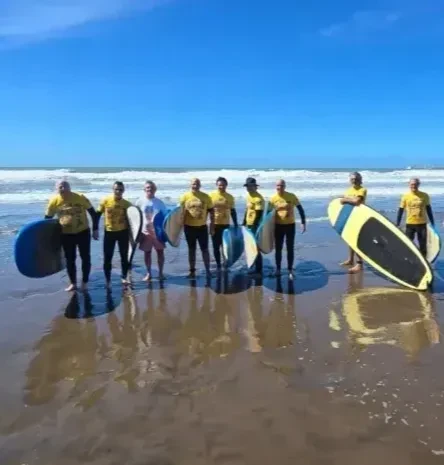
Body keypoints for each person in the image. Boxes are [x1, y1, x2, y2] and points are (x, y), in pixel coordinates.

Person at [45, 180, 98, 292]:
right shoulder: (54, 201)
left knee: (85, 258)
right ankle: (73, 283)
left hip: (83, 232)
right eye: (60, 187)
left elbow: (93, 213)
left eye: (65, 186)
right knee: (70, 260)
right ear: (56, 189)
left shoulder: (80, 197)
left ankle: (85, 282)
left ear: (70, 187)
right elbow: (47, 220)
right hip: (66, 235)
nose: (63, 189)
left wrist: (95, 230)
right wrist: (47, 238)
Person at [96, 181, 132, 289]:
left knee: (124, 256)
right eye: (116, 189)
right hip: (109, 233)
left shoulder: (127, 204)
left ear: (123, 190)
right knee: (108, 257)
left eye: (120, 189)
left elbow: (133, 220)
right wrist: (95, 229)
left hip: (123, 232)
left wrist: (134, 235)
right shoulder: (106, 201)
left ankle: (124, 277)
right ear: (113, 190)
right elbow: (97, 215)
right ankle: (108, 280)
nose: (118, 191)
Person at [268, 179, 306, 279]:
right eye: (278, 186)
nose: (279, 187)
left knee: (290, 248)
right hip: (278, 226)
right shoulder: (272, 199)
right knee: (278, 249)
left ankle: (290, 270)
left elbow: (300, 209)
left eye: (281, 185)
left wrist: (303, 222)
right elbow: (267, 215)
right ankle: (278, 269)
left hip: (290, 225)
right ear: (275, 187)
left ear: (285, 186)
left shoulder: (291, 196)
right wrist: (266, 229)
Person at [179, 178, 215, 279]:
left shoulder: (206, 197)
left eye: (197, 184)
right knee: (191, 250)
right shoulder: (184, 197)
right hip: (189, 227)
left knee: (205, 249)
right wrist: (179, 227)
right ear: (190, 185)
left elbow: (212, 212)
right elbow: (179, 213)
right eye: (193, 184)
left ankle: (208, 271)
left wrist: (212, 226)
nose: (195, 186)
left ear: (200, 185)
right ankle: (192, 271)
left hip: (202, 227)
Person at [136, 180, 167, 281]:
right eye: (148, 187)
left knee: (160, 252)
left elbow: (165, 217)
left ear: (155, 189)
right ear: (144, 189)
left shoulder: (160, 203)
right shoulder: (139, 202)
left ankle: (161, 273)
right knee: (147, 253)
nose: (150, 189)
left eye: (152, 187)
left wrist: (166, 232)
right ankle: (149, 273)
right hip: (145, 232)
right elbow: (135, 217)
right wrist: (136, 232)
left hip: (157, 232)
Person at [396, 177, 435, 257]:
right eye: (412, 184)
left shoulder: (424, 195)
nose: (414, 186)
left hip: (422, 224)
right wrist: (397, 223)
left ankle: (424, 261)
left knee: (423, 245)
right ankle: (408, 259)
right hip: (410, 224)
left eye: (415, 184)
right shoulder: (405, 196)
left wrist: (432, 222)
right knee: (408, 245)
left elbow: (428, 209)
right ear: (409, 185)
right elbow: (401, 210)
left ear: (418, 185)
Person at [339, 172, 367, 274]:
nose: (354, 181)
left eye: (356, 179)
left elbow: (357, 201)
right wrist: (347, 199)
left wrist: (345, 199)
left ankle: (359, 264)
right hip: (350, 217)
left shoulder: (362, 190)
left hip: (359, 217)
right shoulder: (348, 190)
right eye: (352, 179)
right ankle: (350, 259)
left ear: (360, 180)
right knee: (349, 239)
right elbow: (342, 201)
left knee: (357, 241)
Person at [209, 177, 238, 271]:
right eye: (219, 185)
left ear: (226, 185)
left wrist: (236, 224)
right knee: (216, 246)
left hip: (226, 226)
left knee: (225, 246)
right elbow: (207, 210)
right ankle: (218, 265)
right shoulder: (211, 196)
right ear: (216, 185)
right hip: (215, 225)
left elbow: (233, 211)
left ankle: (225, 263)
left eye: (223, 185)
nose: (221, 187)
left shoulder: (230, 197)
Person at [242, 177, 264, 275]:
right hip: (248, 225)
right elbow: (247, 210)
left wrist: (254, 227)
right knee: (250, 247)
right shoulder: (248, 196)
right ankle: (253, 265)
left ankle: (259, 270)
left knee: (256, 248)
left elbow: (259, 214)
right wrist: (244, 223)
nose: (249, 188)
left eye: (251, 186)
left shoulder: (258, 198)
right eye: (247, 186)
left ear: (255, 187)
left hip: (255, 226)